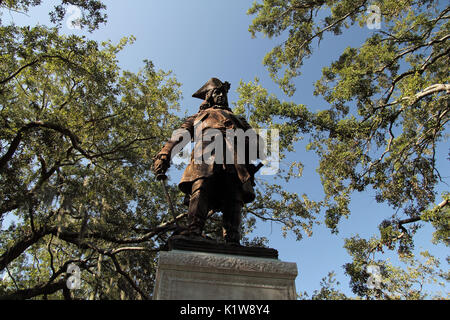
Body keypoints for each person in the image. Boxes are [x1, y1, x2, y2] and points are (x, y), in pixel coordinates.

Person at [152, 78, 264, 244]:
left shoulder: (239, 119)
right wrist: (165, 154)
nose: (221, 96)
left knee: (234, 195)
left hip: (234, 159)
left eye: (223, 93)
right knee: (201, 186)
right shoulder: (198, 117)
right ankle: (193, 231)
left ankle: (232, 239)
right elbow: (180, 135)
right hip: (205, 154)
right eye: (217, 92)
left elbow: (258, 145)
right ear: (209, 97)